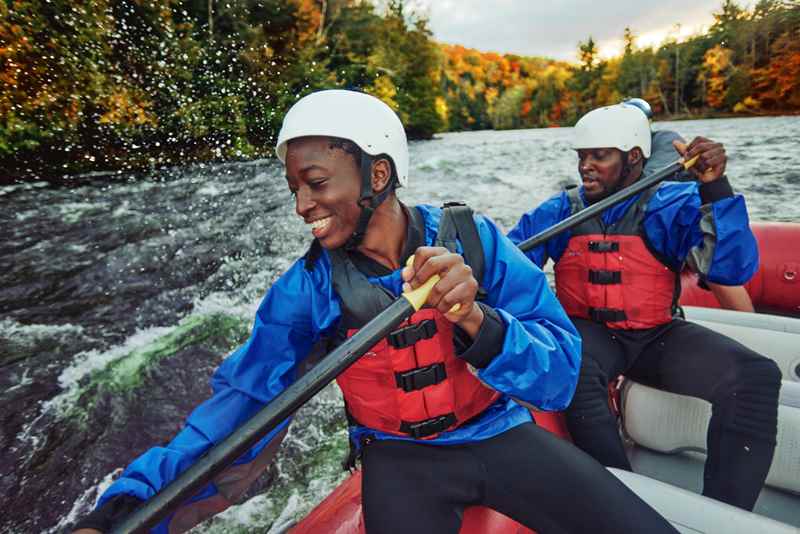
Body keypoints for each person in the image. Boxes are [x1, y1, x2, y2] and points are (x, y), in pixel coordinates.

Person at [72, 91, 678, 534]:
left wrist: (476, 319)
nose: (303, 205)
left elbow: (561, 373)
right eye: (295, 189)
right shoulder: (306, 291)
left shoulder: (475, 240)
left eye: (316, 183)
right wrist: (124, 506)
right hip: (400, 459)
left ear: (378, 173)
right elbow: (237, 406)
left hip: (500, 434)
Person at [507, 104, 781, 511]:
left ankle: (723, 511)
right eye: (582, 156)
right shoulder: (561, 211)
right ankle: (623, 499)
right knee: (574, 359)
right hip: (591, 336)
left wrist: (715, 188)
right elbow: (509, 267)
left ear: (633, 157)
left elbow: (732, 266)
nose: (586, 167)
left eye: (599, 156)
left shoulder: (669, 205)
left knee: (758, 375)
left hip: (655, 335)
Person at [621, 97, 755, 312]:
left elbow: (648, 183)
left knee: (711, 266)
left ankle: (749, 322)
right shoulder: (618, 153)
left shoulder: (664, 140)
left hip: (679, 215)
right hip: (648, 219)